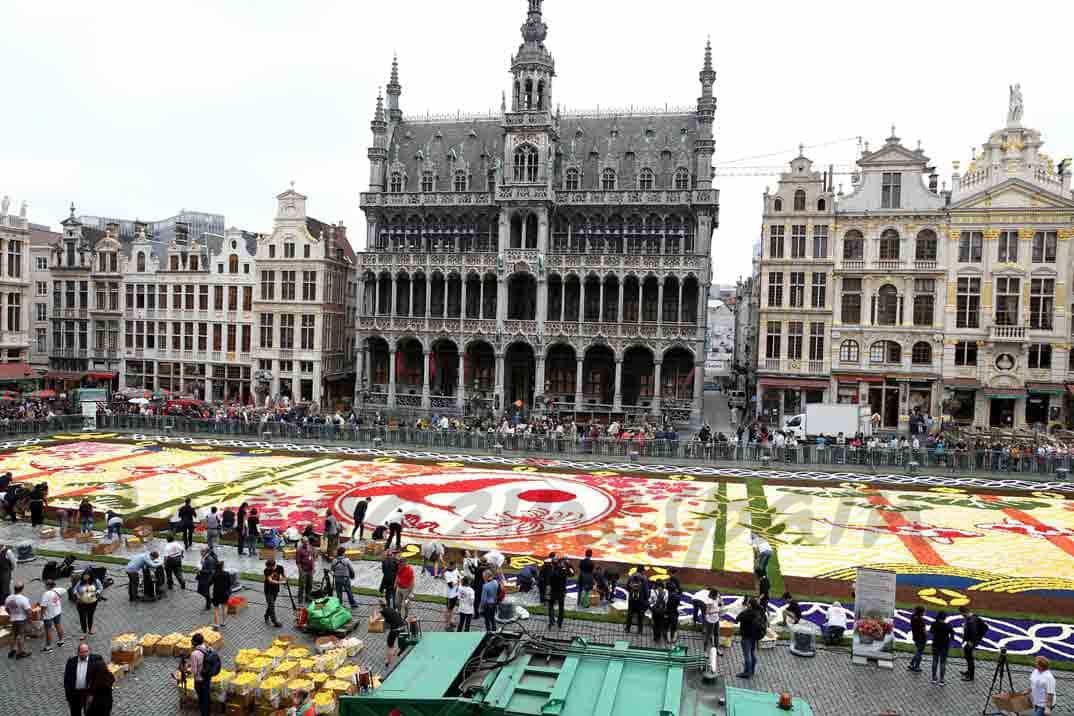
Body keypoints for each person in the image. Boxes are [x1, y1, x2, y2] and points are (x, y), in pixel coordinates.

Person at [65, 643, 103, 716]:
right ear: (78, 652)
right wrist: (68, 696)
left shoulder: (96, 659)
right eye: (82, 652)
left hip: (89, 693)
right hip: (75, 694)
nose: (84, 654)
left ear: (89, 651)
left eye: (86, 651)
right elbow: (67, 679)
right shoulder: (71, 661)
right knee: (75, 712)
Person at [736, 597, 765, 679]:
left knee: (747, 655)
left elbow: (737, 619)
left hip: (746, 636)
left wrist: (745, 610)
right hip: (755, 636)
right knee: (752, 653)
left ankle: (746, 672)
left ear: (750, 605)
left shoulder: (747, 613)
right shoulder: (760, 611)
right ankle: (752, 670)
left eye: (748, 603)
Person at [4, 581, 32, 659]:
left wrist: (11, 614)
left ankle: (12, 650)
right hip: (21, 619)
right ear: (22, 589)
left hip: (13, 619)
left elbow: (6, 608)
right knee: (21, 636)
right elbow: (29, 611)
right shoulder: (23, 599)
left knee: (14, 635)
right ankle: (21, 652)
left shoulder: (8, 598)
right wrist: (29, 620)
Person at [960, 605, 988, 682]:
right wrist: (979, 637)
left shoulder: (970, 621)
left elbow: (972, 632)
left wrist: (972, 641)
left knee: (969, 658)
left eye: (962, 614)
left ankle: (970, 676)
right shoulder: (974, 617)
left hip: (971, 642)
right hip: (972, 641)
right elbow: (985, 627)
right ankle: (969, 672)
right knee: (967, 656)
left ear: (964, 612)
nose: (962, 616)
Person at [188, 632, 213, 716]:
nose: (191, 642)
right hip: (207, 678)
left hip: (199, 680)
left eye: (192, 640)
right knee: (206, 698)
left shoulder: (194, 654)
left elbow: (194, 671)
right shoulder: (208, 648)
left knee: (202, 700)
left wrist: (188, 670)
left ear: (195, 642)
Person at [380, 598, 407, 669]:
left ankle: (388, 662)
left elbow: (373, 620)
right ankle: (397, 652)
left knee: (390, 646)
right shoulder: (391, 609)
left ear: (380, 605)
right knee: (401, 643)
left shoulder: (383, 611)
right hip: (402, 627)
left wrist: (374, 614)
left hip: (395, 629)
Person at [40, 578, 66, 653]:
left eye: (45, 585)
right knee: (58, 625)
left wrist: (41, 615)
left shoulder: (46, 594)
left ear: (47, 586)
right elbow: (64, 590)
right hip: (57, 612)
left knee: (48, 630)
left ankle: (48, 646)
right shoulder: (57, 590)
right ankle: (61, 641)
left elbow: (43, 607)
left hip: (48, 615)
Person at [74, 570, 102, 635]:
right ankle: (84, 631)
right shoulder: (80, 582)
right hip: (81, 603)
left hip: (92, 602)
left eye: (87, 575)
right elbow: (75, 589)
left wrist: (96, 593)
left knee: (90, 616)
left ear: (90, 576)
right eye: (84, 575)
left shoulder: (96, 581)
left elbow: (100, 588)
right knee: (82, 617)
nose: (85, 577)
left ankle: (90, 629)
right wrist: (78, 596)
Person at [930, 610, 954, 686]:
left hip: (935, 644)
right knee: (943, 663)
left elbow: (931, 631)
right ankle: (942, 680)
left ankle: (934, 678)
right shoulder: (948, 625)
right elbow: (952, 634)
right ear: (945, 617)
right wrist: (950, 639)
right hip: (944, 646)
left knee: (935, 661)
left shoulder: (934, 624)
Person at [548, 557, 572, 630]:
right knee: (561, 608)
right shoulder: (563, 570)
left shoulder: (551, 572)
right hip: (561, 591)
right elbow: (571, 573)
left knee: (551, 607)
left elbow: (549, 582)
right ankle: (560, 623)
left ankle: (552, 621)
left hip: (553, 591)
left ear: (552, 564)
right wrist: (568, 565)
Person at [624, 567, 649, 633]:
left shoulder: (631, 577)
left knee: (630, 614)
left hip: (631, 599)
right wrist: (646, 598)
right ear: (642, 571)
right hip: (640, 600)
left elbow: (627, 587)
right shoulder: (644, 578)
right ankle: (640, 630)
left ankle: (627, 628)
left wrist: (631, 592)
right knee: (640, 615)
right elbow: (646, 590)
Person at [907, 605, 928, 673]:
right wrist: (927, 636)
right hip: (921, 638)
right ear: (921, 612)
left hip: (915, 637)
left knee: (918, 651)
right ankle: (916, 667)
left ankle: (912, 663)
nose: (925, 612)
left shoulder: (913, 617)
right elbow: (924, 631)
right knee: (919, 653)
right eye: (924, 611)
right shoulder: (921, 621)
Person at [264, 560, 284, 628]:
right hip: (268, 590)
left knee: (271, 605)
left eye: (268, 567)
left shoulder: (280, 568)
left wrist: (285, 579)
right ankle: (275, 622)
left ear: (273, 566)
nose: (267, 568)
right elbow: (270, 581)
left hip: (275, 590)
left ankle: (266, 615)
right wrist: (281, 583)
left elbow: (284, 576)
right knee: (272, 605)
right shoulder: (266, 570)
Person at [211, 561, 230, 629]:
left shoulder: (214, 574)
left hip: (216, 593)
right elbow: (229, 584)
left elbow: (210, 582)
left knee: (216, 609)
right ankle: (224, 622)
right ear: (222, 567)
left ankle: (216, 623)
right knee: (224, 607)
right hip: (224, 593)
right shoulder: (227, 574)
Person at [296, 537, 315, 604]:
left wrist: (313, 568)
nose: (306, 543)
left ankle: (308, 597)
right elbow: (298, 562)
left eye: (307, 541)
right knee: (301, 585)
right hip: (303, 570)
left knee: (309, 584)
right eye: (304, 542)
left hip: (310, 570)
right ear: (302, 542)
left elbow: (313, 558)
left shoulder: (311, 548)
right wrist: (301, 571)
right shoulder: (299, 550)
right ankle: (300, 599)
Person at [443, 560, 460, 626]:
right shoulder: (447, 573)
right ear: (451, 566)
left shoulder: (455, 570)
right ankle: (447, 623)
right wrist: (457, 582)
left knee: (451, 609)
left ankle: (451, 621)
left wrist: (458, 580)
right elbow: (450, 585)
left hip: (455, 594)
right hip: (450, 595)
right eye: (454, 565)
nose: (455, 566)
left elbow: (458, 576)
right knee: (448, 609)